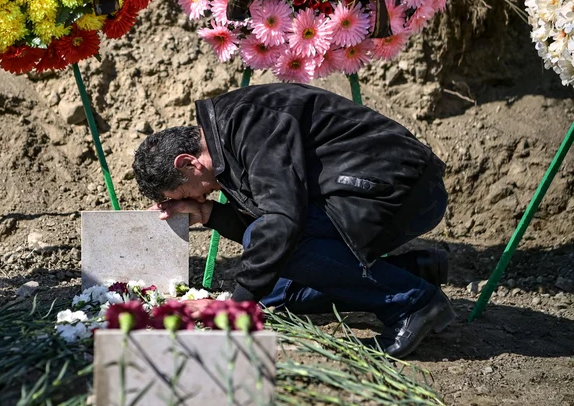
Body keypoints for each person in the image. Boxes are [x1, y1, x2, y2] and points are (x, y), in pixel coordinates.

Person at [132, 83, 455, 358]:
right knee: (279, 293)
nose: (193, 198)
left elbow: (282, 223)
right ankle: (411, 271)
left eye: (182, 193)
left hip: (403, 190)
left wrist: (237, 305)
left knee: (274, 245)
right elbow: (275, 220)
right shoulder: (225, 140)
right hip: (364, 196)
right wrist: (208, 214)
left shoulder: (249, 125)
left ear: (188, 163)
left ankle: (412, 302)